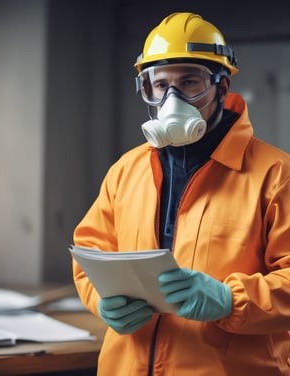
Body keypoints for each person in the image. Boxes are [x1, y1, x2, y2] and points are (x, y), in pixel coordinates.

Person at [72, 12, 290, 376]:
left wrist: (229, 301)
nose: (172, 98)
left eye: (189, 82)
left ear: (221, 88)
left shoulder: (275, 175)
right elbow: (89, 254)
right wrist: (101, 301)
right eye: (160, 85)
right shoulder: (126, 171)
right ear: (148, 88)